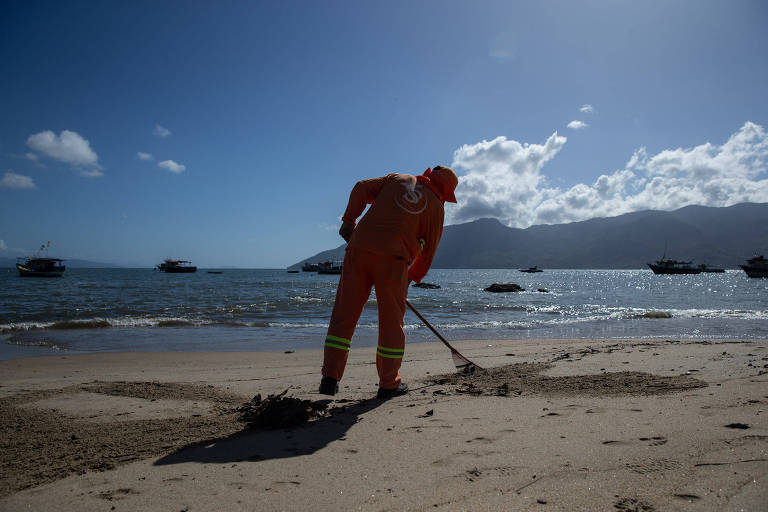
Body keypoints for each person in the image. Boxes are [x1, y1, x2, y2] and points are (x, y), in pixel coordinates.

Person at [319, 166, 458, 399]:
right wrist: (412, 277)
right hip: (394, 263)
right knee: (391, 323)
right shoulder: (435, 207)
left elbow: (361, 188)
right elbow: (429, 251)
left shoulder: (398, 179)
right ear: (445, 192)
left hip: (359, 250)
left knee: (344, 316)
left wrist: (349, 221)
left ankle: (329, 379)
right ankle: (388, 384)